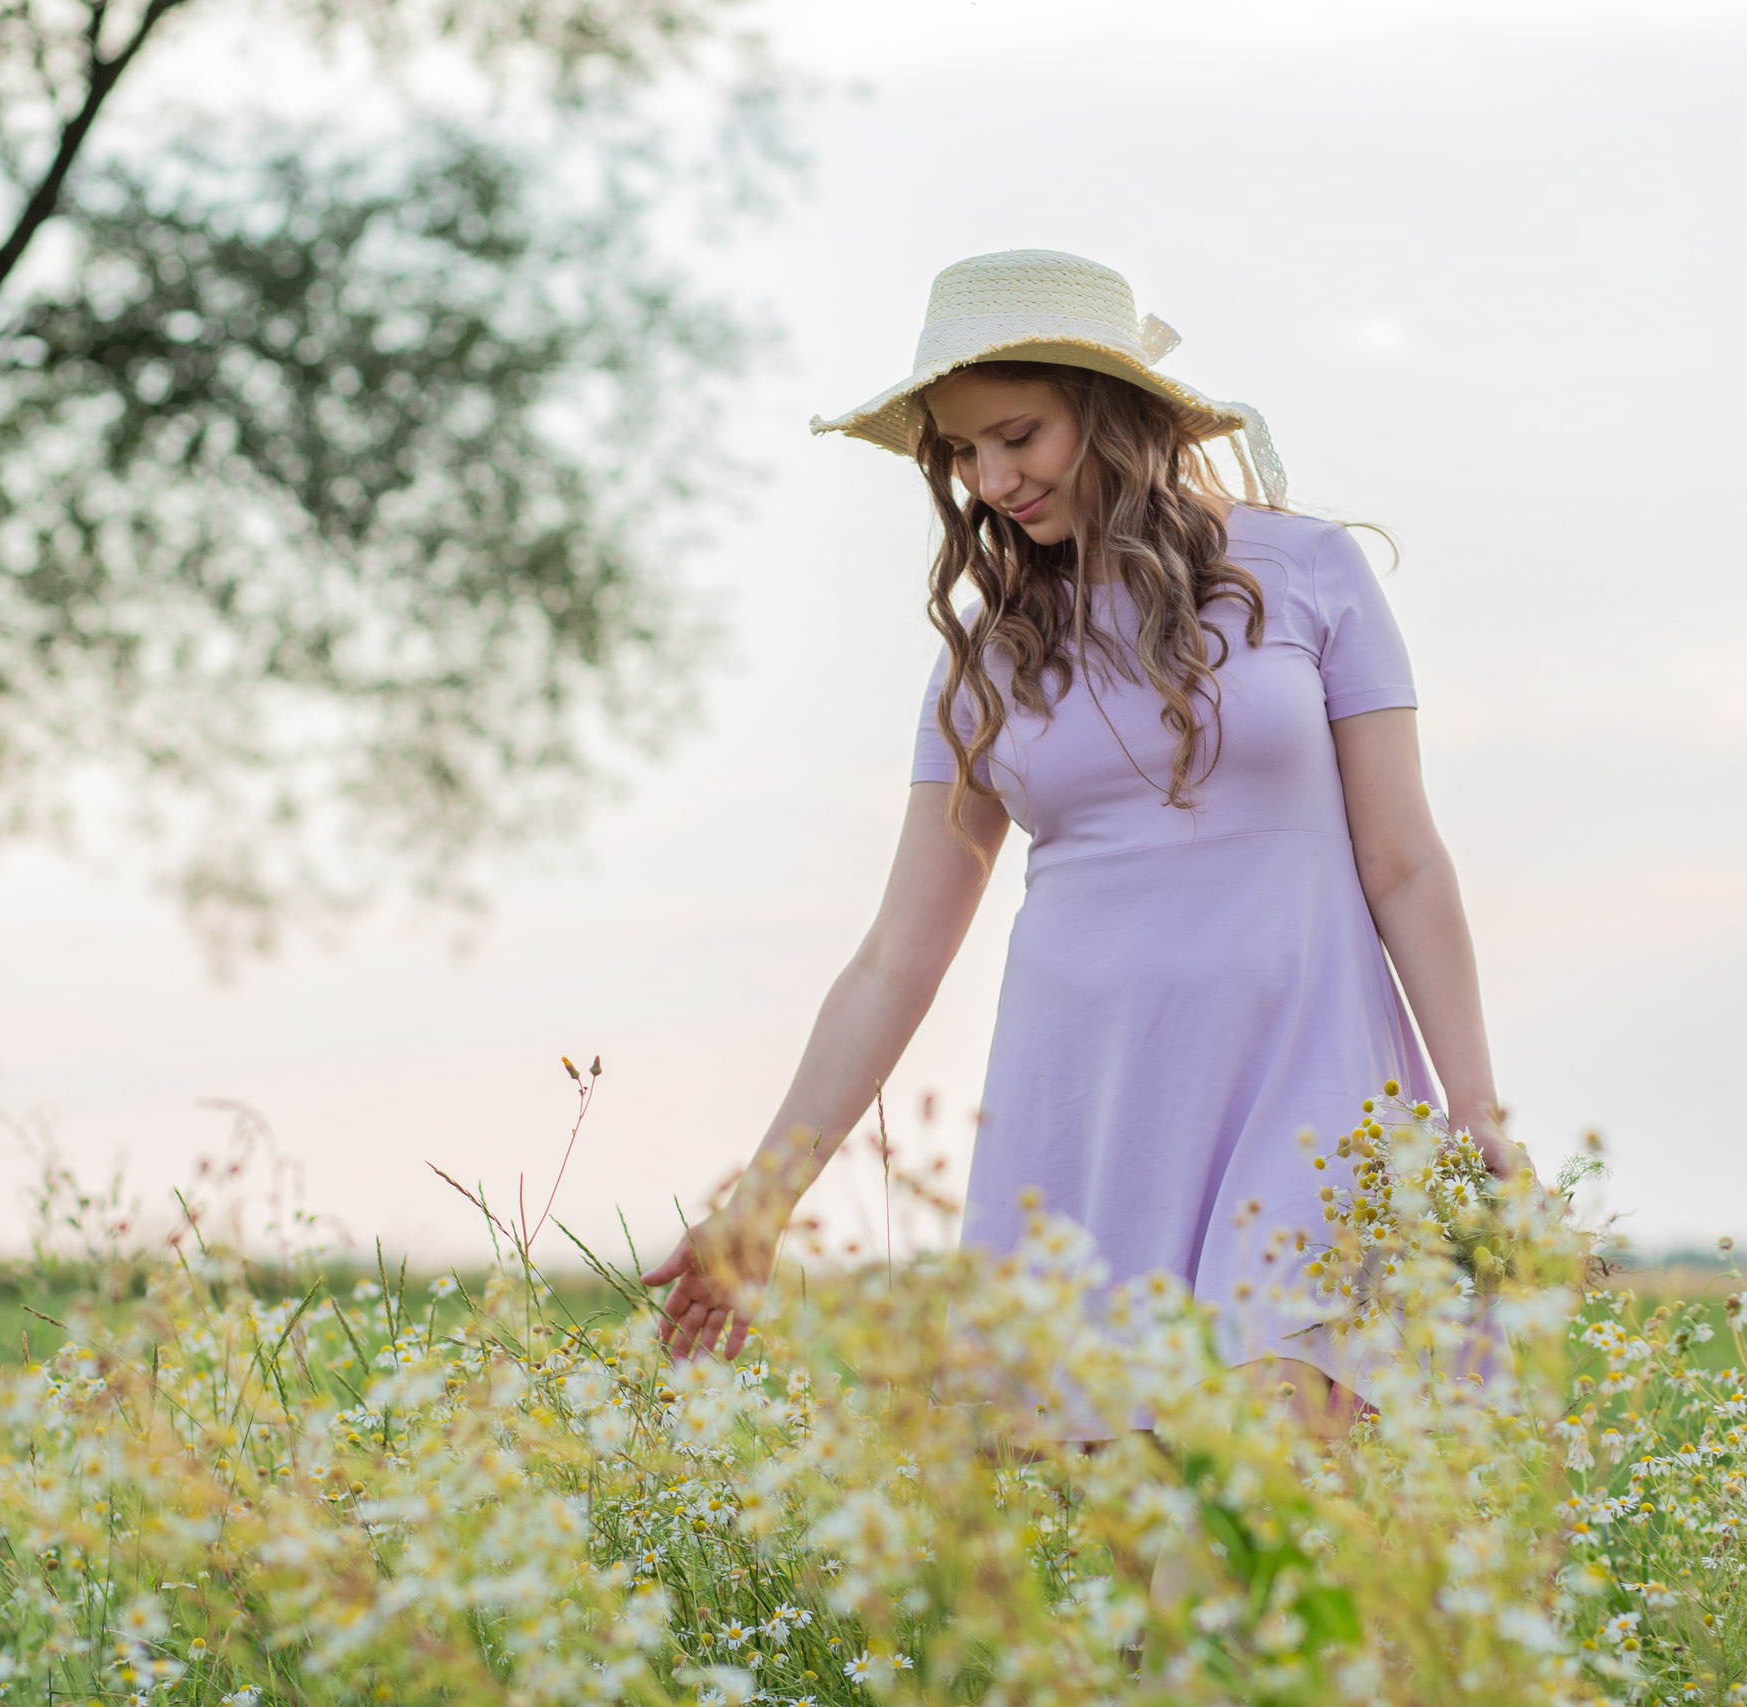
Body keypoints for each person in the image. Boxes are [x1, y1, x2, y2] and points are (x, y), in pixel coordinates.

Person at [640, 249, 1523, 1426]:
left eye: (1019, 434)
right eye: (960, 450)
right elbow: (897, 955)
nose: (991, 478)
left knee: (1258, 1502)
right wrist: (762, 1199)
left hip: (1311, 1098)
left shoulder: (1311, 571)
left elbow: (1402, 862)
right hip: (1093, 1116)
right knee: (1157, 1579)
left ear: (1110, 412)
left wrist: (1475, 1111)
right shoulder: (986, 659)